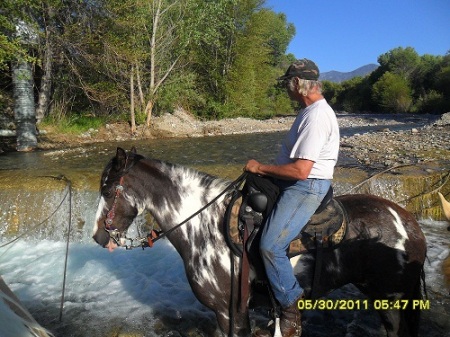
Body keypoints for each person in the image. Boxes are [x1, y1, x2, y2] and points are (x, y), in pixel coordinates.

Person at [244, 59, 340, 337]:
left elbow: (301, 171)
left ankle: (290, 313)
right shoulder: (309, 111)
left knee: (271, 245)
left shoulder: (317, 116)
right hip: (298, 183)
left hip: (306, 187)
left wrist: (259, 167)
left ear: (297, 83)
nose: (286, 89)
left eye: (287, 83)